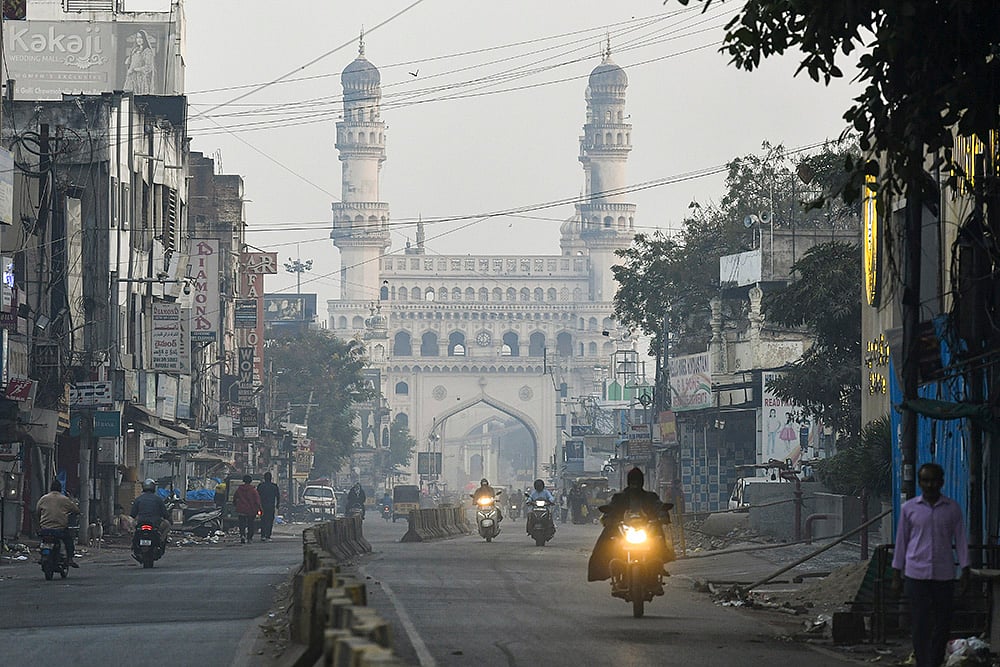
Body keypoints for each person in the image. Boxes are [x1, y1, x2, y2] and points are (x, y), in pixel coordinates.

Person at [891, 462, 970, 667]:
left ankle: (934, 662)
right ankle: (923, 662)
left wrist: (966, 570)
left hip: (944, 575)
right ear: (919, 483)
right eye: (925, 480)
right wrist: (896, 575)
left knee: (943, 624)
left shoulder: (952, 509)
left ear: (941, 482)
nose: (930, 484)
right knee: (920, 624)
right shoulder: (909, 509)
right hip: (916, 575)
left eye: (934, 480)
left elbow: (961, 540)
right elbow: (901, 542)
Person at [587, 467, 673, 591]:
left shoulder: (650, 497)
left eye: (637, 481)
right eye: (632, 481)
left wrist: (662, 514)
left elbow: (658, 506)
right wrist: (608, 517)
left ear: (641, 482)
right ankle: (612, 571)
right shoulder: (619, 497)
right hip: (624, 531)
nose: (635, 484)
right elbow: (611, 508)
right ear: (628, 482)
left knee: (658, 538)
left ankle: (659, 566)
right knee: (609, 542)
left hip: (645, 530)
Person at [36, 479, 80, 568]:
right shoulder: (64, 499)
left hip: (45, 529)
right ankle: (70, 559)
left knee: (42, 540)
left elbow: (37, 511)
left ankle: (42, 556)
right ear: (60, 489)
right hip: (60, 529)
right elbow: (76, 510)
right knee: (69, 541)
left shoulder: (43, 498)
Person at [130, 478, 171, 555]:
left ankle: (133, 541)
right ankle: (161, 540)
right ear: (153, 487)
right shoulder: (158, 499)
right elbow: (165, 513)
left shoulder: (138, 499)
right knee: (167, 525)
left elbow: (132, 514)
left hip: (141, 522)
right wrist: (167, 518)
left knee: (133, 528)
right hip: (155, 524)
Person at [123, 30, 155, 94]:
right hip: (131, 77)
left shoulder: (147, 51)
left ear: (144, 39)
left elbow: (148, 67)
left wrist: (136, 69)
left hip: (141, 79)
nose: (139, 39)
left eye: (141, 37)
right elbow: (129, 62)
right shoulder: (135, 50)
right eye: (137, 37)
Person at [233, 475, 262, 544]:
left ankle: (242, 535)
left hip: (241, 509)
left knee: (242, 524)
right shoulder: (253, 490)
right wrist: (260, 509)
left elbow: (235, 498)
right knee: (250, 524)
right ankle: (249, 538)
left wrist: (236, 505)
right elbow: (257, 500)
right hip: (251, 510)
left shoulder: (239, 489)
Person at [256, 472, 280, 542]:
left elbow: (257, 496)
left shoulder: (260, 486)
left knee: (263, 520)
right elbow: (278, 496)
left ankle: (263, 535)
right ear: (270, 478)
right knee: (270, 521)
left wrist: (257, 505)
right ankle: (268, 536)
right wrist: (277, 504)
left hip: (262, 506)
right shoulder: (274, 486)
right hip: (271, 506)